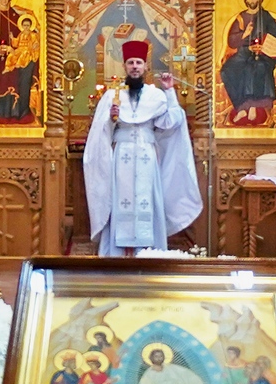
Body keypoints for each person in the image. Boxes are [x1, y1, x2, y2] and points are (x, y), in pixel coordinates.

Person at [84, 40, 202, 255]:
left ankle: (150, 252)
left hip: (148, 153)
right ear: (125, 66)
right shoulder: (112, 95)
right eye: (131, 63)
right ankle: (116, 253)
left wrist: (169, 92)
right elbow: (101, 131)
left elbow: (171, 122)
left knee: (147, 198)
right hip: (122, 154)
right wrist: (110, 119)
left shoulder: (155, 95)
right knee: (121, 198)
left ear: (146, 66)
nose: (135, 66)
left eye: (138, 62)